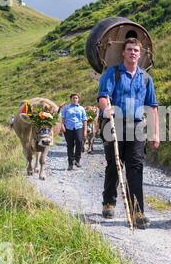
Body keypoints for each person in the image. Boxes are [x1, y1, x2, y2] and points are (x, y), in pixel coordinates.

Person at [97, 37, 160, 229]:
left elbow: (152, 107)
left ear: (140, 55)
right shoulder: (113, 73)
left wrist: (155, 133)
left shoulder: (146, 78)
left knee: (136, 167)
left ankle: (137, 211)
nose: (133, 53)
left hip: (137, 126)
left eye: (136, 50)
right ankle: (109, 202)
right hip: (114, 124)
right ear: (123, 53)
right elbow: (102, 97)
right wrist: (107, 110)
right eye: (130, 49)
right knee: (115, 165)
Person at [61, 93, 87, 170]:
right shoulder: (66, 108)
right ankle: (70, 163)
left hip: (78, 127)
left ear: (78, 99)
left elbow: (84, 120)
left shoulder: (81, 108)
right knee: (70, 145)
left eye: (76, 98)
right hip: (68, 128)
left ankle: (77, 160)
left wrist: (85, 130)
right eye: (73, 98)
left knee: (79, 142)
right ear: (71, 99)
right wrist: (62, 126)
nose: (75, 99)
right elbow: (62, 118)